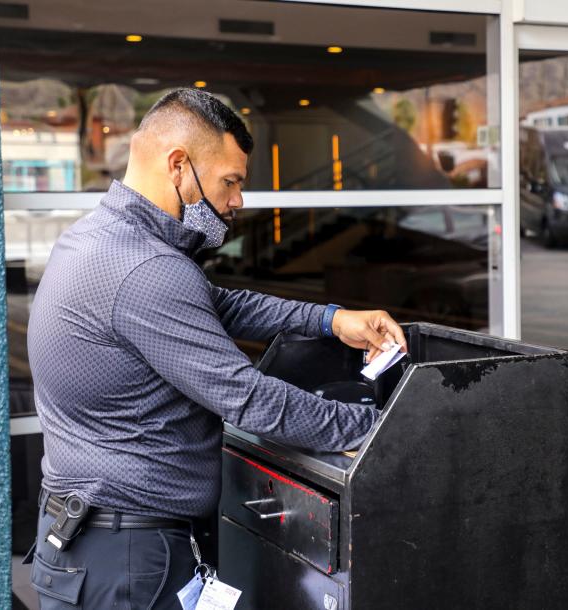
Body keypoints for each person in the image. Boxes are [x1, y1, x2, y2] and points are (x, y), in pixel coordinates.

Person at [25, 88, 406, 609]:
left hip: (85, 541)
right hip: (131, 560)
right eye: (230, 182)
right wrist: (382, 429)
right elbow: (249, 400)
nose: (237, 203)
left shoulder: (95, 240)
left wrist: (329, 319)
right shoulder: (147, 271)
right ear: (178, 165)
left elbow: (214, 302)